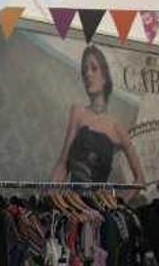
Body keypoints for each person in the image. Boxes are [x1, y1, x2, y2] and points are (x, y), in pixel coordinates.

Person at [51, 45, 146, 191]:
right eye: (85, 70)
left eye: (94, 68)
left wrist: (119, 203)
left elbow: (140, 180)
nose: (88, 74)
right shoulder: (78, 112)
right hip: (71, 204)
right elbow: (62, 163)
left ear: (105, 77)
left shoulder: (116, 127)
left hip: (98, 207)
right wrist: (48, 196)